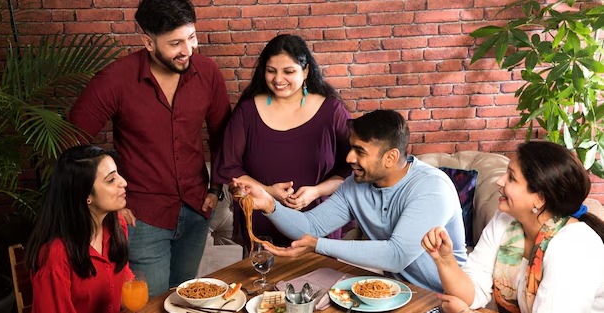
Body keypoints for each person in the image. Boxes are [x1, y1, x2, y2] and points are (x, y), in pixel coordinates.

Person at [68, 0, 231, 297]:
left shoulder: (207, 72)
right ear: (148, 42)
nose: (188, 50)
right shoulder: (115, 79)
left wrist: (216, 188)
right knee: (150, 304)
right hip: (142, 218)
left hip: (197, 210)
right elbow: (71, 144)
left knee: (184, 298)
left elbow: (224, 137)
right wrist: (110, 203)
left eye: (191, 37)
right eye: (175, 43)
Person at [230, 109, 467, 292]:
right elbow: (310, 227)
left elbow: (396, 256)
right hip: (392, 292)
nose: (349, 157)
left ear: (390, 157)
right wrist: (270, 205)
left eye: (359, 151)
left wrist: (318, 245)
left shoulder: (431, 187)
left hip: (443, 298)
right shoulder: (355, 185)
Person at [421, 141, 604, 313]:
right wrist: (445, 260)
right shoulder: (505, 220)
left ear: (539, 198)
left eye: (511, 177)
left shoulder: (574, 247)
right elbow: (472, 293)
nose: (499, 181)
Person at [213, 34, 352, 252]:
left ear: (305, 72)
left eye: (288, 71)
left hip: (317, 221)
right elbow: (229, 167)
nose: (278, 79)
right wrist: (268, 191)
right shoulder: (248, 111)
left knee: (320, 284)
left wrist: (315, 191)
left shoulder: (332, 112)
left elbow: (354, 168)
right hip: (262, 221)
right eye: (271, 71)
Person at [26, 145, 133, 313]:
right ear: (86, 196)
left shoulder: (117, 225)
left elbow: (126, 282)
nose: (124, 182)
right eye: (111, 180)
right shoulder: (56, 256)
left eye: (118, 174)